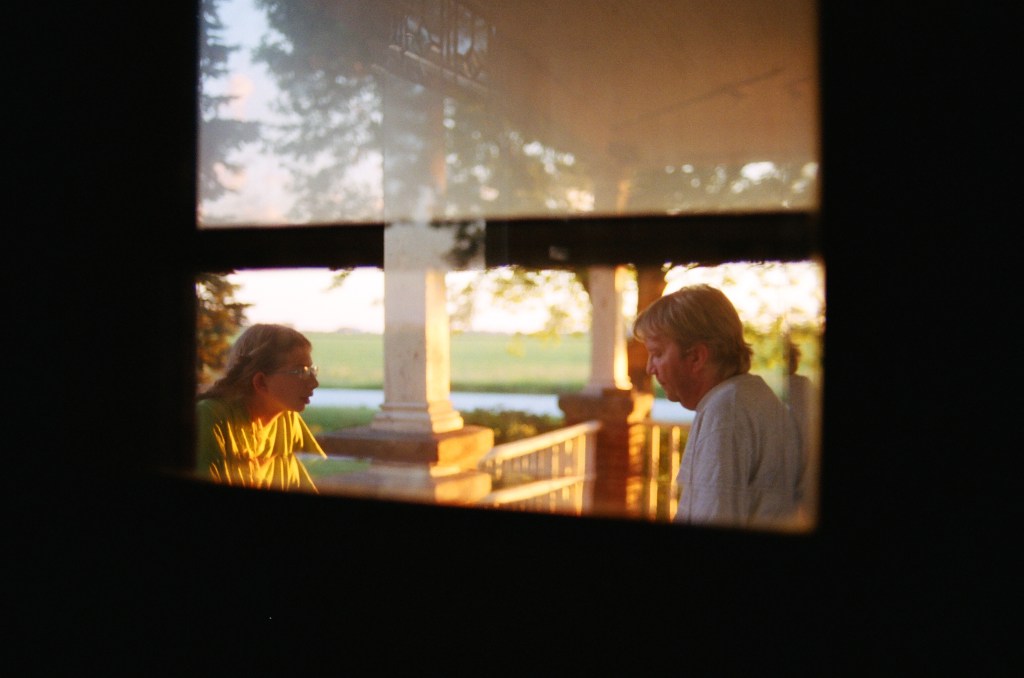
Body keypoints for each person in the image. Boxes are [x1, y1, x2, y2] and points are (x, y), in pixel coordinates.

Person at [633, 284, 804, 530]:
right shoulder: (747, 397)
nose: (650, 368)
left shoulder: (725, 413)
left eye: (657, 353)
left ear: (696, 357)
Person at [195, 323, 327, 492]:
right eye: (301, 371)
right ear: (261, 382)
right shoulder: (211, 417)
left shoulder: (287, 419)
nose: (314, 383)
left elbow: (317, 470)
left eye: (311, 371)